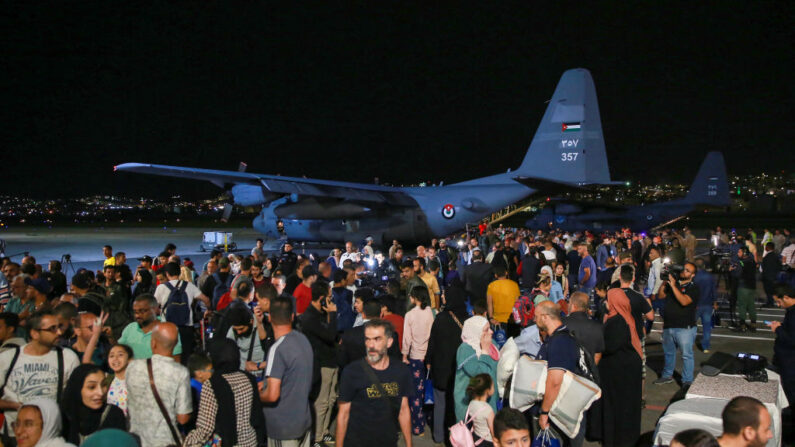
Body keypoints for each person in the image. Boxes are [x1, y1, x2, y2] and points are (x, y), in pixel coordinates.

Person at [0, 311, 80, 439]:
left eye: (59, 327)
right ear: (35, 333)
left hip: (52, 436)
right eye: (52, 329)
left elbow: (75, 398)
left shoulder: (68, 357)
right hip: (15, 436)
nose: (59, 333)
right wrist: (15, 406)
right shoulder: (7, 358)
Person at [336, 319, 414, 447]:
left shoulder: (401, 371)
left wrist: (409, 444)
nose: (371, 345)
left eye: (377, 339)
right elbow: (343, 414)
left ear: (389, 342)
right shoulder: (352, 372)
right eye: (368, 339)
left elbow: (403, 409)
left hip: (388, 441)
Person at [183, 338, 266, 447]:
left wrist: (188, 442)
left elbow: (206, 428)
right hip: (250, 441)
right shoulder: (248, 378)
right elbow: (256, 416)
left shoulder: (212, 384)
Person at [126, 322, 192, 447]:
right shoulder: (180, 372)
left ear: (153, 343)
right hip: (165, 442)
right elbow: (183, 418)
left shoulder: (133, 367)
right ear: (175, 344)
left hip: (136, 440)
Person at [259, 296, 314, 447]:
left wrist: (256, 393)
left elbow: (272, 395)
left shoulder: (277, 349)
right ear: (292, 316)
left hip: (283, 427)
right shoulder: (303, 340)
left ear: (269, 317)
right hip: (303, 421)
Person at [534, 301, 590, 447]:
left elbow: (555, 380)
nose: (534, 320)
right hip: (564, 409)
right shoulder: (561, 336)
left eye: (536, 316)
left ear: (545, 317)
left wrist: (544, 412)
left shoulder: (560, 342)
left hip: (560, 412)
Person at [426, 277, 468, 443]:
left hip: (441, 368)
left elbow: (432, 342)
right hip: (461, 369)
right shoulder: (467, 319)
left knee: (440, 403)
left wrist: (428, 360)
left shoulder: (441, 319)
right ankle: (458, 437)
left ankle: (438, 436)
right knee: (458, 404)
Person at [599, 288, 643, 447]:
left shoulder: (617, 321)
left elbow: (610, 345)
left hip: (619, 372)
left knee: (617, 410)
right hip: (627, 370)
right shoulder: (626, 317)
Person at [299, 281, 339, 445]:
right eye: (329, 297)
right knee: (321, 402)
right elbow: (330, 335)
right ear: (322, 298)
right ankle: (317, 437)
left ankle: (324, 431)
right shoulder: (309, 317)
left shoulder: (322, 313)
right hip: (321, 363)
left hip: (332, 361)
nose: (331, 301)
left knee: (331, 399)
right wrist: (333, 314)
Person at [655, 261, 699, 386]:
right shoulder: (673, 283)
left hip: (685, 327)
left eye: (688, 271)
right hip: (669, 325)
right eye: (684, 269)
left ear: (693, 275)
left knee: (686, 355)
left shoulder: (693, 288)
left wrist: (674, 286)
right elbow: (661, 295)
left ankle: (687, 380)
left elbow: (684, 301)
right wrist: (665, 280)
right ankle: (667, 375)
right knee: (669, 353)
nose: (684, 272)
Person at [154, 262, 209, 362]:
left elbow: (153, 307)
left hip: (168, 329)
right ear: (179, 273)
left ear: (167, 274)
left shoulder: (161, 288)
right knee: (186, 357)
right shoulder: (189, 286)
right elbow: (205, 299)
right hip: (186, 327)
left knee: (169, 357)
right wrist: (208, 310)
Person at [61, 364, 126, 444]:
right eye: (92, 387)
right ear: (77, 389)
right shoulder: (63, 417)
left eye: (103, 385)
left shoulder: (113, 414)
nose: (101, 393)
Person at [401, 286, 434, 435]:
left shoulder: (410, 315)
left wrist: (404, 355)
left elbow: (407, 338)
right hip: (427, 356)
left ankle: (417, 426)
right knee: (425, 390)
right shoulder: (430, 313)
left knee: (415, 393)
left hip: (414, 356)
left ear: (415, 297)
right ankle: (425, 419)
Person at [454, 316, 499, 422]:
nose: (491, 332)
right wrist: (484, 351)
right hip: (470, 404)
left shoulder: (491, 345)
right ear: (476, 332)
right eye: (486, 330)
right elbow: (480, 374)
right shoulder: (465, 349)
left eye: (490, 328)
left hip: (489, 401)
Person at [117, 294, 182, 360]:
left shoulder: (167, 330)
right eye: (135, 312)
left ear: (155, 309)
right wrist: (110, 337)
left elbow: (175, 360)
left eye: (142, 311)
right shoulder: (130, 328)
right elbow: (119, 352)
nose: (137, 316)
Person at [768, 284, 794, 414]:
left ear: (786, 297)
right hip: (787, 361)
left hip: (790, 362)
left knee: (790, 393)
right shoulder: (791, 312)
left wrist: (778, 329)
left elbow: (792, 339)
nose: (778, 305)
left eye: (779, 302)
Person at [565, 291, 604, 365]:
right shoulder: (597, 326)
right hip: (587, 372)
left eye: (569, 303)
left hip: (567, 371)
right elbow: (598, 354)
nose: (568, 305)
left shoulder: (562, 324)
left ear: (573, 306)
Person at [692, 259, 718, 353]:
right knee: (706, 326)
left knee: (692, 324)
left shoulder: (694, 277)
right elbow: (713, 290)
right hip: (707, 304)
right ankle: (705, 346)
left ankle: (689, 343)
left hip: (697, 305)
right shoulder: (710, 277)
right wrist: (715, 302)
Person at [465, 373, 496, 446]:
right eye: (493, 386)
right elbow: (493, 430)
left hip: (476, 437)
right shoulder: (488, 410)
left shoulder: (472, 403)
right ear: (487, 390)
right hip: (488, 441)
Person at [732, 247, 758, 332]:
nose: (737, 253)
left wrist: (732, 270)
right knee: (751, 305)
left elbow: (737, 274)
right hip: (752, 286)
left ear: (744, 253)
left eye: (739, 252)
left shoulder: (741, 263)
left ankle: (742, 325)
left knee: (742, 306)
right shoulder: (752, 261)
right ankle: (753, 323)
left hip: (743, 287)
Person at [106, 344, 133, 415]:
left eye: (120, 355)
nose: (115, 358)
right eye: (111, 356)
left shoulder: (136, 381)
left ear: (130, 359)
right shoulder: (106, 380)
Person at [761, 242, 780, 307]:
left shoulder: (766, 257)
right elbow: (779, 266)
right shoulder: (776, 256)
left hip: (767, 276)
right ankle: (778, 302)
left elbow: (763, 267)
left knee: (768, 291)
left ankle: (770, 302)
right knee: (774, 291)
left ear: (768, 247)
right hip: (775, 276)